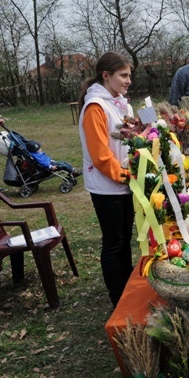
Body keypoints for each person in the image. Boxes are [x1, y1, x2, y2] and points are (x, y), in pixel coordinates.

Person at [78, 52, 134, 307]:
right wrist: (126, 176)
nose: (128, 80)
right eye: (123, 75)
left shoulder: (120, 103)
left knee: (124, 239)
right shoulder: (95, 108)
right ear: (106, 76)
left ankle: (127, 287)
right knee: (113, 242)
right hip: (107, 187)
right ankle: (117, 297)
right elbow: (100, 155)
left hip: (125, 183)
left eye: (129, 75)